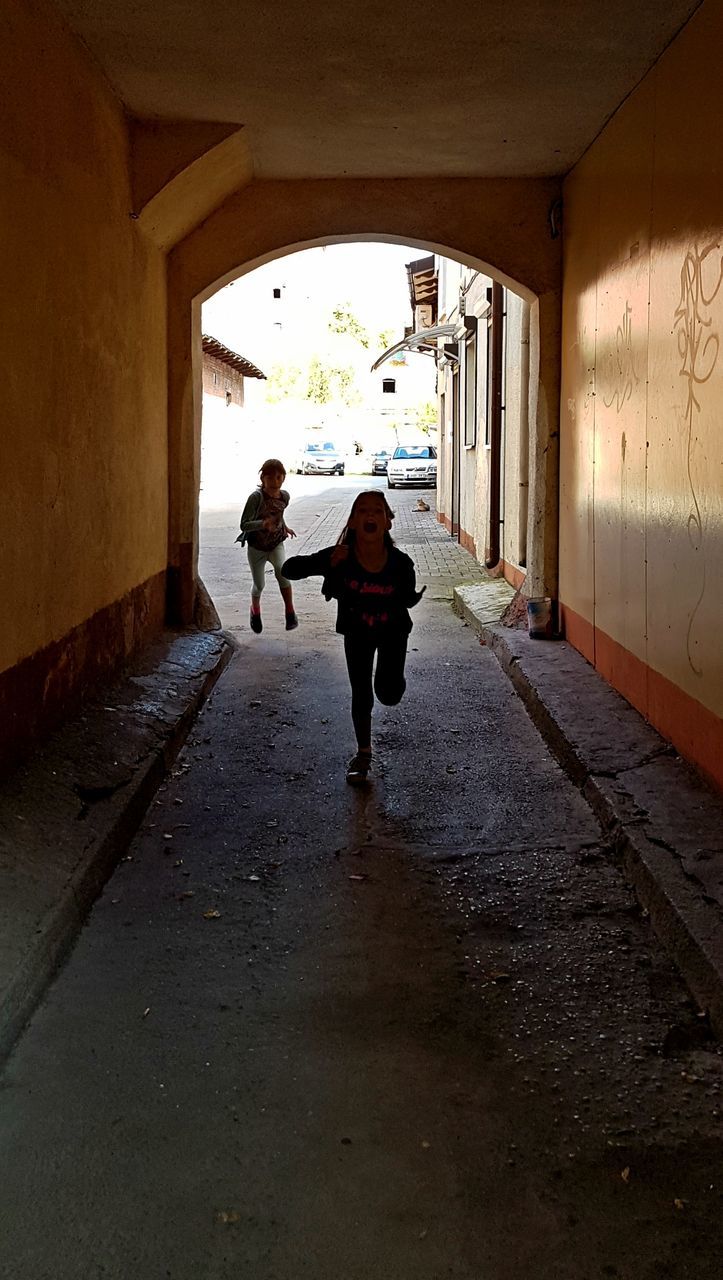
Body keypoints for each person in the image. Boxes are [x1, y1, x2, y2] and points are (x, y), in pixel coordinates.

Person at [282, 490, 424, 782]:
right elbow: (289, 569)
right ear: (353, 522)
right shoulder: (341, 558)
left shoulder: (401, 564)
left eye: (377, 511)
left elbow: (408, 598)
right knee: (361, 692)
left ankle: (391, 682)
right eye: (362, 511)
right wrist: (328, 563)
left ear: (388, 523)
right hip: (357, 632)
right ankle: (363, 754)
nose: (370, 516)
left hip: (392, 633)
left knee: (388, 693)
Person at [236, 459, 298, 632]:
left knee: (282, 572)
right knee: (259, 584)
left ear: (284, 478)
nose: (275, 482)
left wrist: (284, 526)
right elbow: (244, 524)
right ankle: (255, 611)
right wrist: (262, 524)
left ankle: (290, 612)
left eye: (279, 477)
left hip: (276, 543)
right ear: (263, 479)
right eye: (270, 478)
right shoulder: (256, 498)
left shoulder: (284, 496)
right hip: (257, 547)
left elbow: (279, 513)